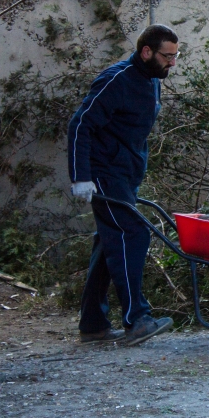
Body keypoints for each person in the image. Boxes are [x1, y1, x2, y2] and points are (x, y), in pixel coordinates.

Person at [67, 25, 179, 346]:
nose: (172, 63)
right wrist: (81, 177)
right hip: (103, 174)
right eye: (167, 56)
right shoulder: (116, 80)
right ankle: (137, 320)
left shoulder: (151, 80)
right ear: (146, 52)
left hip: (125, 175)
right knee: (132, 233)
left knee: (108, 243)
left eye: (176, 56)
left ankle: (93, 324)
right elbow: (80, 124)